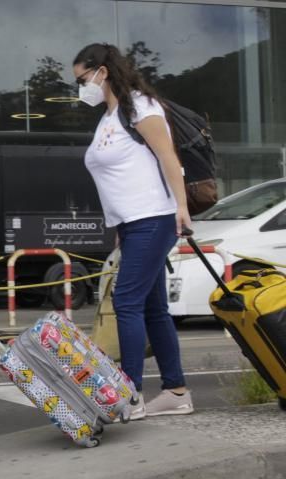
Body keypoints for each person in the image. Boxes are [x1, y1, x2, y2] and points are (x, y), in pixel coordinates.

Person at [72, 43, 194, 420]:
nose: (80, 88)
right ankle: (175, 391)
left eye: (82, 79)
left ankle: (130, 393)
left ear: (102, 72)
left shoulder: (140, 106)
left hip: (155, 218)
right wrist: (119, 227)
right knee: (154, 308)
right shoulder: (109, 116)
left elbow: (168, 156)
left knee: (126, 302)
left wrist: (182, 209)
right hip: (132, 224)